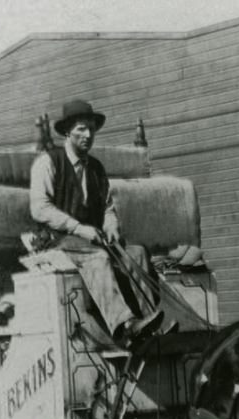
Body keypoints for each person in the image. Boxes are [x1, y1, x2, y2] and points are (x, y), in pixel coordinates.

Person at [28, 99, 163, 346]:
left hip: (92, 240)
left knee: (137, 253)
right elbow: (39, 207)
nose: (88, 135)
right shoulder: (48, 163)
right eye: (81, 129)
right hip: (57, 242)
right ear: (67, 131)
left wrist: (111, 227)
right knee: (97, 258)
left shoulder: (96, 169)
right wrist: (79, 228)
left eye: (91, 129)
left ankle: (150, 323)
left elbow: (108, 208)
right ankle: (125, 325)